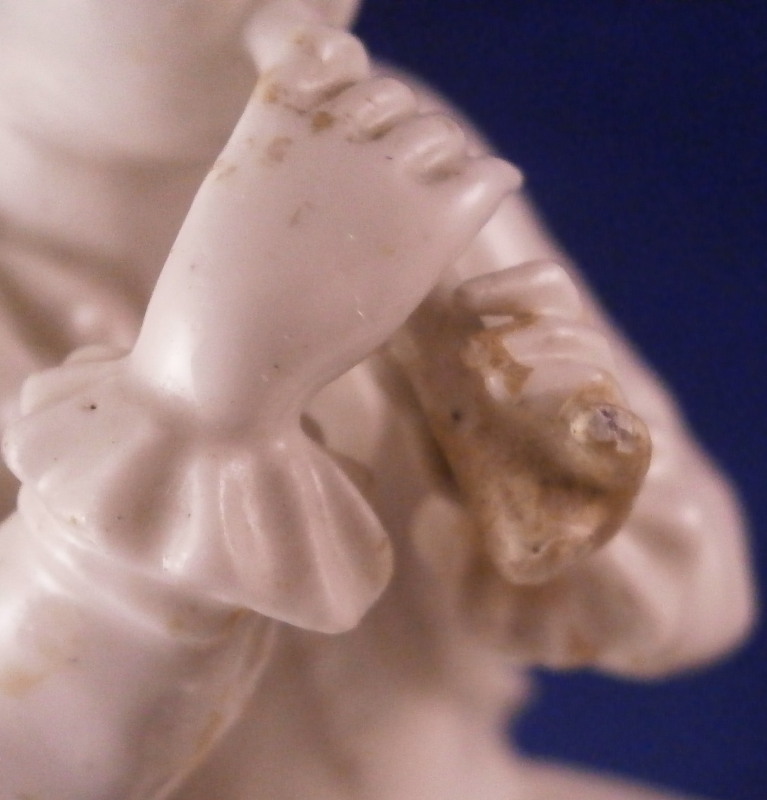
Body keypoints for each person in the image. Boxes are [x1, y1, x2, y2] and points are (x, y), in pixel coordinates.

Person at [0, 2, 754, 798]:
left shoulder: (378, 147)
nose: (306, 17)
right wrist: (205, 397)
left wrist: (560, 483)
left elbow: (704, 600)